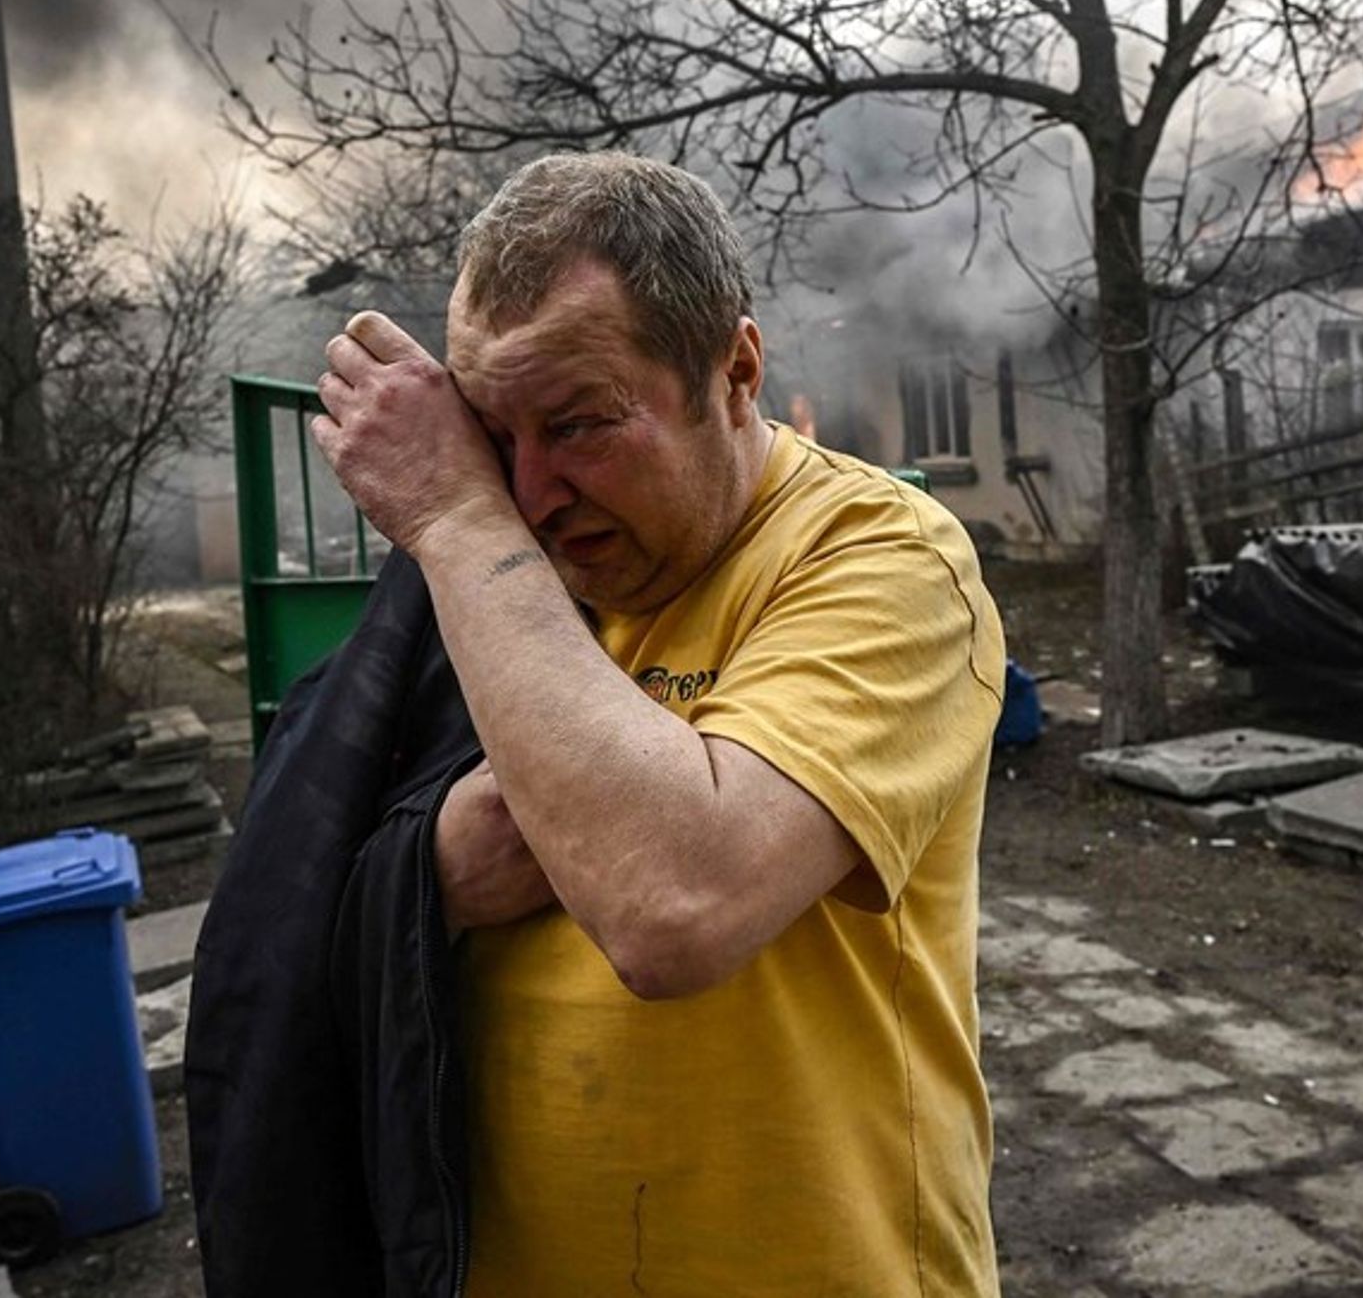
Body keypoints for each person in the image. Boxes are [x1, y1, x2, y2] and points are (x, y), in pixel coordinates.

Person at [312, 151, 1005, 1295]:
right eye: (491, 437)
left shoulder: (881, 558)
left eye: (579, 425)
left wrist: (452, 515)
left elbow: (677, 905)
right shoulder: (497, 576)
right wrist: (427, 873)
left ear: (735, 371)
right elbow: (296, 888)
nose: (528, 493)